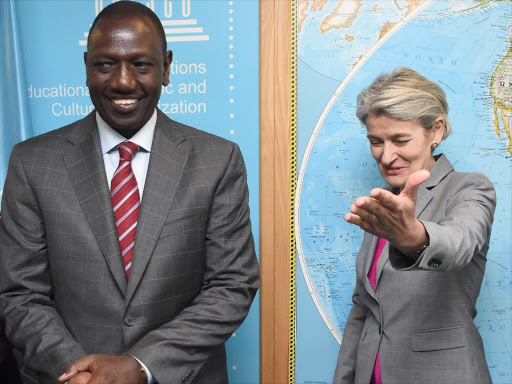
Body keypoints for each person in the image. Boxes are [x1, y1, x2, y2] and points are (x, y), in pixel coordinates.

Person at [0, 2, 259, 384]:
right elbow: (20, 294)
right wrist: (82, 373)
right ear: (86, 66)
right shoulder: (32, 162)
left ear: (167, 67)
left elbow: (232, 285)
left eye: (141, 64)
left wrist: (140, 365)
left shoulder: (217, 160)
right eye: (105, 64)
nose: (123, 82)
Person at [333, 67, 496, 384]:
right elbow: (364, 311)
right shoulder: (383, 207)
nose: (386, 155)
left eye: (400, 139)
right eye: (376, 141)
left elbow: (458, 244)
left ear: (435, 131)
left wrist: (412, 237)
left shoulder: (470, 189)